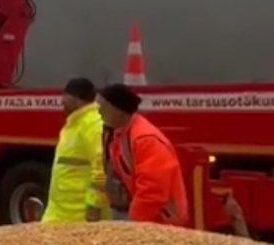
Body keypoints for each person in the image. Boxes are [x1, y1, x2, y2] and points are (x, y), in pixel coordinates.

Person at [96, 83, 189, 226]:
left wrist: (134, 225)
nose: (99, 111)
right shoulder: (121, 134)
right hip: (152, 218)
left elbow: (153, 191)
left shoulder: (145, 139)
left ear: (119, 111)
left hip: (163, 221)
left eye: (102, 107)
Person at [41, 78, 110, 224]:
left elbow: (101, 168)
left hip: (80, 216)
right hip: (62, 212)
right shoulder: (74, 123)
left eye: (65, 96)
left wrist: (94, 205)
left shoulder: (93, 124)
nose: (62, 101)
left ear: (77, 99)